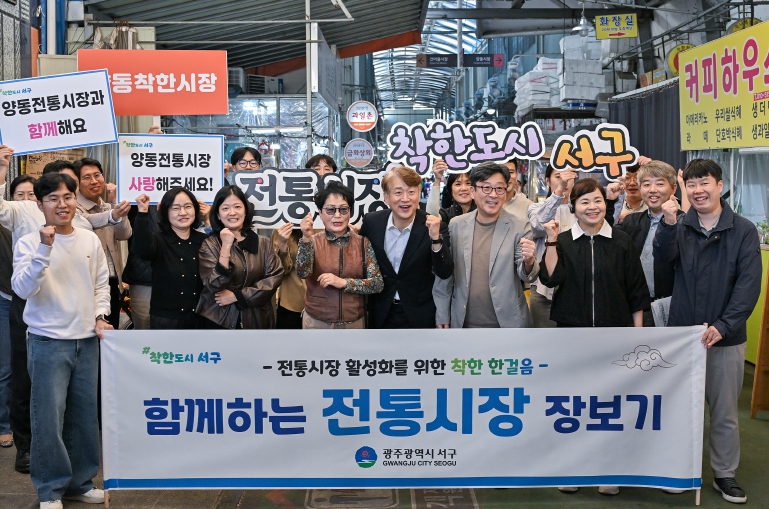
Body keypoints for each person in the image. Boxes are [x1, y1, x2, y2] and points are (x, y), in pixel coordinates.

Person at [654, 159, 762, 504]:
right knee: (681, 409)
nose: (698, 190)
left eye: (705, 183)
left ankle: (724, 474)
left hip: (725, 339)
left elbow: (748, 286)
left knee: (725, 412)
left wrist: (723, 325)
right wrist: (668, 225)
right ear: (685, 189)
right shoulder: (680, 224)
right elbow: (662, 264)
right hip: (683, 338)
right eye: (692, 184)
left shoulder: (743, 230)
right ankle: (679, 469)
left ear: (719, 185)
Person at [0, 152, 109, 475]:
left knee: (84, 417)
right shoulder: (28, 243)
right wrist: (43, 249)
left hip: (86, 340)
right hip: (47, 341)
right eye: (53, 199)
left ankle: (83, 482)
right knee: (47, 417)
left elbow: (100, 284)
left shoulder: (88, 239)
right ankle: (50, 486)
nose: (62, 204)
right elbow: (23, 289)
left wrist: (101, 315)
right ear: (40, 204)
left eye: (68, 197)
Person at [539, 178, 649, 497]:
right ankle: (572, 467)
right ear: (573, 207)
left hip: (613, 337)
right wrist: (550, 242)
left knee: (609, 406)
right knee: (573, 405)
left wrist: (636, 338)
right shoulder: (563, 240)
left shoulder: (621, 241)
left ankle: (608, 468)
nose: (592, 207)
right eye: (584, 201)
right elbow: (550, 278)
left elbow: (636, 292)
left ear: (605, 203)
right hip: (571, 338)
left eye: (597, 200)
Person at [433, 162, 538, 329]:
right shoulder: (456, 225)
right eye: (486, 188)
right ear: (473, 191)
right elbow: (445, 274)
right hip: (463, 323)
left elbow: (527, 276)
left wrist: (529, 261)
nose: (493, 194)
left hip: (508, 323)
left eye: (499, 188)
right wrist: (442, 314)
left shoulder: (520, 226)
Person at [359, 166, 453, 329]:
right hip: (381, 312)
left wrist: (436, 239)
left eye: (411, 192)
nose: (405, 199)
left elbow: (444, 272)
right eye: (398, 192)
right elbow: (360, 258)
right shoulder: (372, 222)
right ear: (386, 197)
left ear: (419, 194)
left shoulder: (434, 225)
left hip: (420, 314)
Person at [296, 182, 383, 329]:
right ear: (320, 212)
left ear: (350, 212)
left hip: (354, 322)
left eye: (343, 210)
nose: (337, 215)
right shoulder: (312, 241)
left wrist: (343, 283)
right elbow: (302, 273)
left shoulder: (363, 243)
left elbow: (377, 284)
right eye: (330, 210)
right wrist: (305, 238)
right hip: (317, 322)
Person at [196, 185, 283, 329]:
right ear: (218, 214)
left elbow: (274, 278)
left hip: (257, 318)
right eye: (225, 208)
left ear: (246, 210)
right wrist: (225, 246)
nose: (232, 212)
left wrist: (238, 296)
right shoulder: (209, 244)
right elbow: (214, 284)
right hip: (221, 319)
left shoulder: (263, 243)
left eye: (237, 207)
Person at [612, 161, 684, 327]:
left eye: (660, 184)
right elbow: (606, 239)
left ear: (673, 189)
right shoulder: (630, 221)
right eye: (646, 184)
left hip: (672, 307)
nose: (652, 190)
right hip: (634, 306)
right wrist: (612, 202)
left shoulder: (686, 223)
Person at [271, 156, 338, 329]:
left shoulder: (339, 217)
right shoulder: (285, 215)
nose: (321, 173)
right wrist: (282, 244)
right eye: (316, 169)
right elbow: (278, 270)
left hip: (330, 301)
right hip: (293, 302)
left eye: (327, 169)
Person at [133, 189, 208, 329]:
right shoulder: (158, 239)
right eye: (175, 208)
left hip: (200, 317)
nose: (183, 212)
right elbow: (143, 251)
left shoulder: (205, 240)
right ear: (165, 211)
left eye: (188, 206)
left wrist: (208, 220)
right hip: (165, 318)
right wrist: (142, 212)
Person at [74, 158, 132, 329]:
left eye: (97, 175)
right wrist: (112, 215)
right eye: (87, 177)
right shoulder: (74, 208)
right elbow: (88, 221)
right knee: (89, 333)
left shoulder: (108, 207)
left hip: (112, 282)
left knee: (110, 334)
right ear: (76, 183)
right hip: (87, 284)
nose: (94, 181)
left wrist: (114, 204)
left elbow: (125, 234)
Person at [0, 175, 35, 450]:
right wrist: (2, 169)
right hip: (8, 298)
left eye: (31, 194)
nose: (26, 200)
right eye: (19, 195)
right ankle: (5, 426)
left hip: (38, 301)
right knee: (9, 367)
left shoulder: (42, 223)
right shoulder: (6, 221)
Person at [526, 166, 578, 328]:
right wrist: (559, 190)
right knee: (542, 340)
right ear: (547, 181)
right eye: (558, 176)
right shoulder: (535, 208)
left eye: (569, 176)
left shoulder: (582, 209)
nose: (565, 181)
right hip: (543, 291)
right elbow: (538, 225)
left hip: (576, 289)